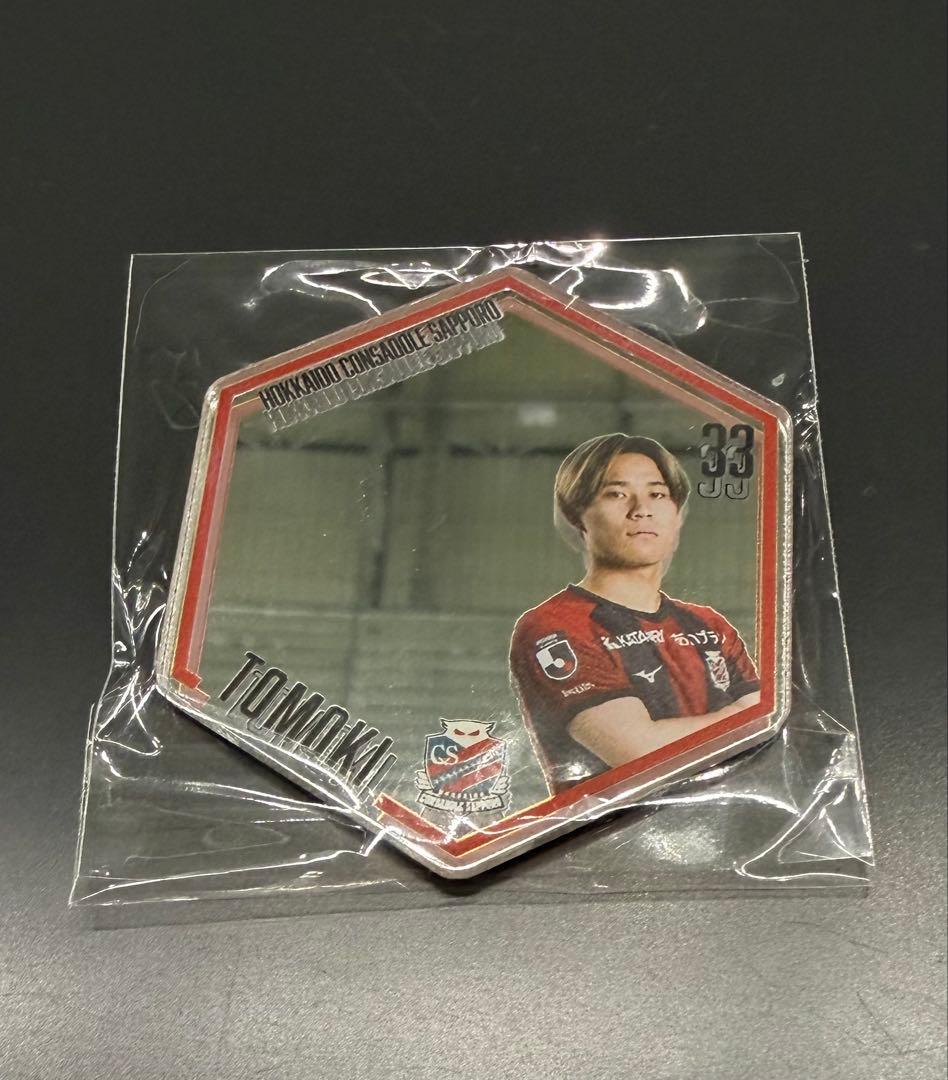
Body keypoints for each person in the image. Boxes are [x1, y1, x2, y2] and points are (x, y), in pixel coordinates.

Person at [509, 433, 760, 794]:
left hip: (726, 813)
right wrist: (741, 718)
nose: (642, 509)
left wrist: (748, 719)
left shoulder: (708, 623)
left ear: (677, 515)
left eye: (657, 494)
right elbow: (639, 750)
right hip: (617, 827)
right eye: (616, 494)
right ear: (577, 516)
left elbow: (767, 731)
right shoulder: (553, 626)